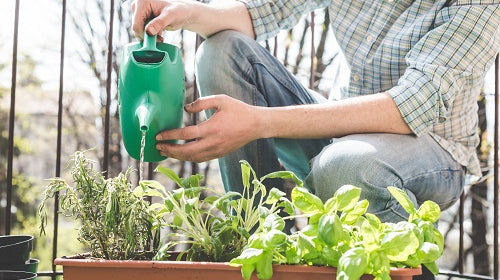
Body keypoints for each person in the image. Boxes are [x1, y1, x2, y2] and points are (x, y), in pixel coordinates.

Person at [131, 0, 499, 223]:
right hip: (344, 131)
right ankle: (262, 244)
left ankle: (402, 263)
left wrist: (257, 123)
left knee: (346, 165)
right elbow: (263, 11)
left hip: (433, 147)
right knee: (221, 51)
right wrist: (184, 12)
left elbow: (409, 107)